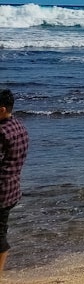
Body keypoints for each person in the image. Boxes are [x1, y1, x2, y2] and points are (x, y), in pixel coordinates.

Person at [0, 89, 29, 273]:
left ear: (2, 109)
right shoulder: (19, 126)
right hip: (12, 189)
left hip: (1, 191)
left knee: (0, 234)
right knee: (1, 229)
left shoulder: (1, 132)